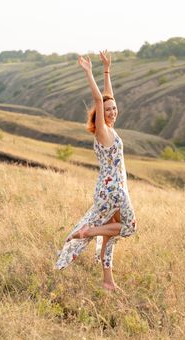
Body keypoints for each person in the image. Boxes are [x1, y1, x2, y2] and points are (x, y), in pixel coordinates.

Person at [56, 50, 137, 291]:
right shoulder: (102, 130)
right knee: (129, 227)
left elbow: (107, 96)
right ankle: (88, 231)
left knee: (110, 235)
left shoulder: (110, 130)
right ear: (101, 114)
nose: (112, 111)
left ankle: (107, 281)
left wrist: (106, 70)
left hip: (108, 190)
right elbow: (99, 99)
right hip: (113, 192)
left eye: (114, 108)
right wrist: (89, 73)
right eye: (108, 109)